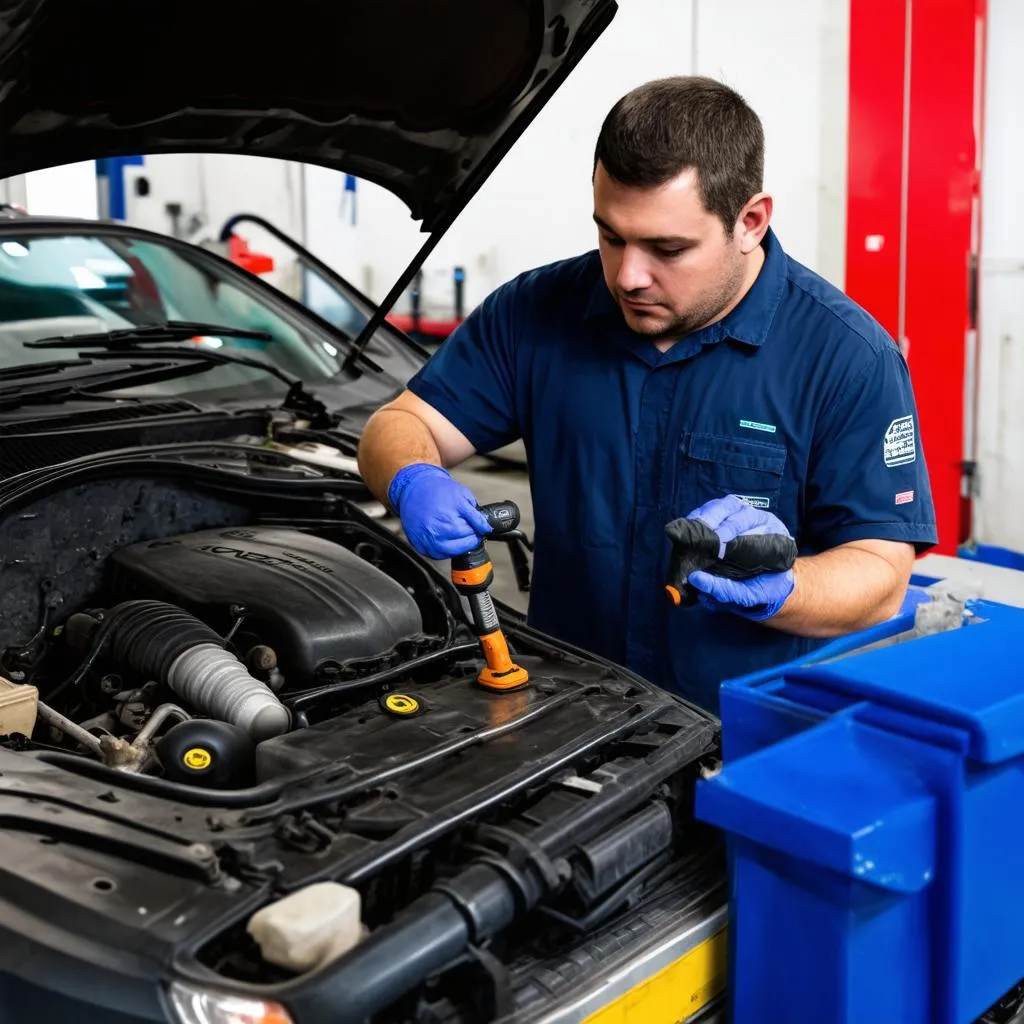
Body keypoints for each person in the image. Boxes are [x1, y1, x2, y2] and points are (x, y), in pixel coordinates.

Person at [356, 75, 937, 714]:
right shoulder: (534, 313)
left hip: (738, 733)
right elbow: (402, 421)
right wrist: (412, 477)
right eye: (611, 236)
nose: (628, 276)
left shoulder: (846, 357)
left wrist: (785, 588)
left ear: (750, 221)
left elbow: (881, 573)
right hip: (562, 713)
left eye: (667, 248)